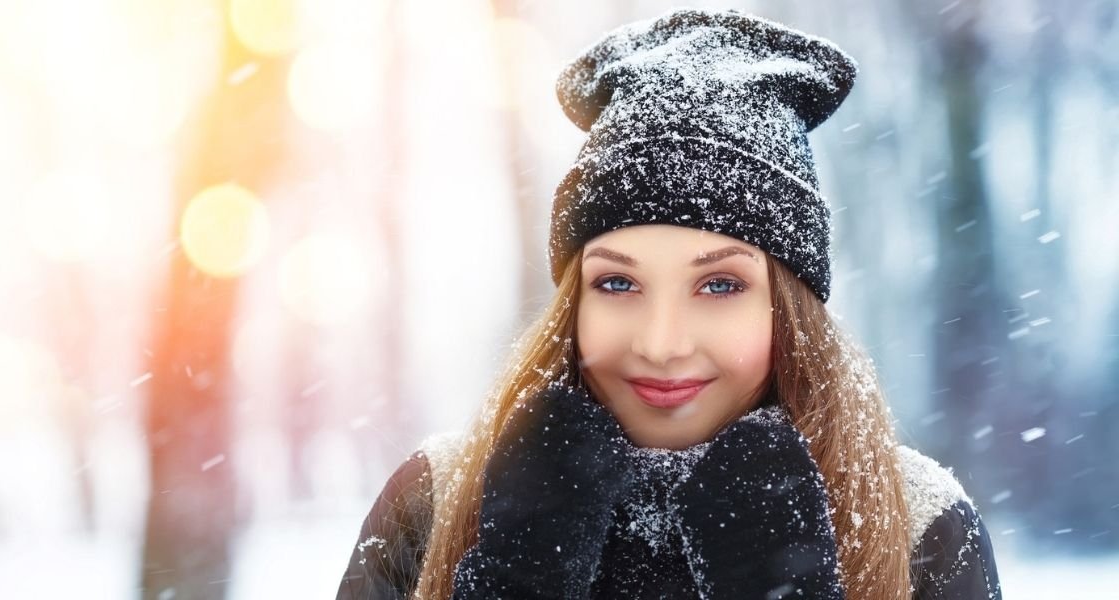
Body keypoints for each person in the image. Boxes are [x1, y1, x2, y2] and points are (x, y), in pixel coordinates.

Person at [337, 7, 1002, 600]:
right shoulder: (436, 499)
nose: (660, 342)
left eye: (719, 285)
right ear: (575, 304)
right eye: (618, 284)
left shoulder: (919, 525)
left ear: (787, 310)